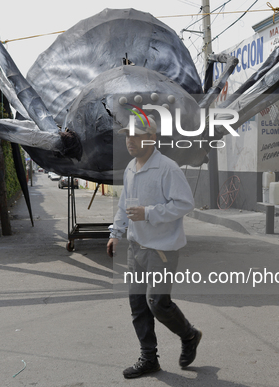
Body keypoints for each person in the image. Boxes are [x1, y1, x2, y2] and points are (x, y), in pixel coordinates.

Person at [107, 116, 202, 379]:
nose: (130, 140)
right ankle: (149, 358)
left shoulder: (168, 168)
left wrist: (148, 212)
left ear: (152, 138)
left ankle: (189, 335)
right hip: (136, 247)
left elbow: (184, 204)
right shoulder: (130, 168)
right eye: (128, 135)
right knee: (138, 304)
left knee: (157, 303)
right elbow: (123, 205)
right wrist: (116, 233)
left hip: (162, 249)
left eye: (137, 135)